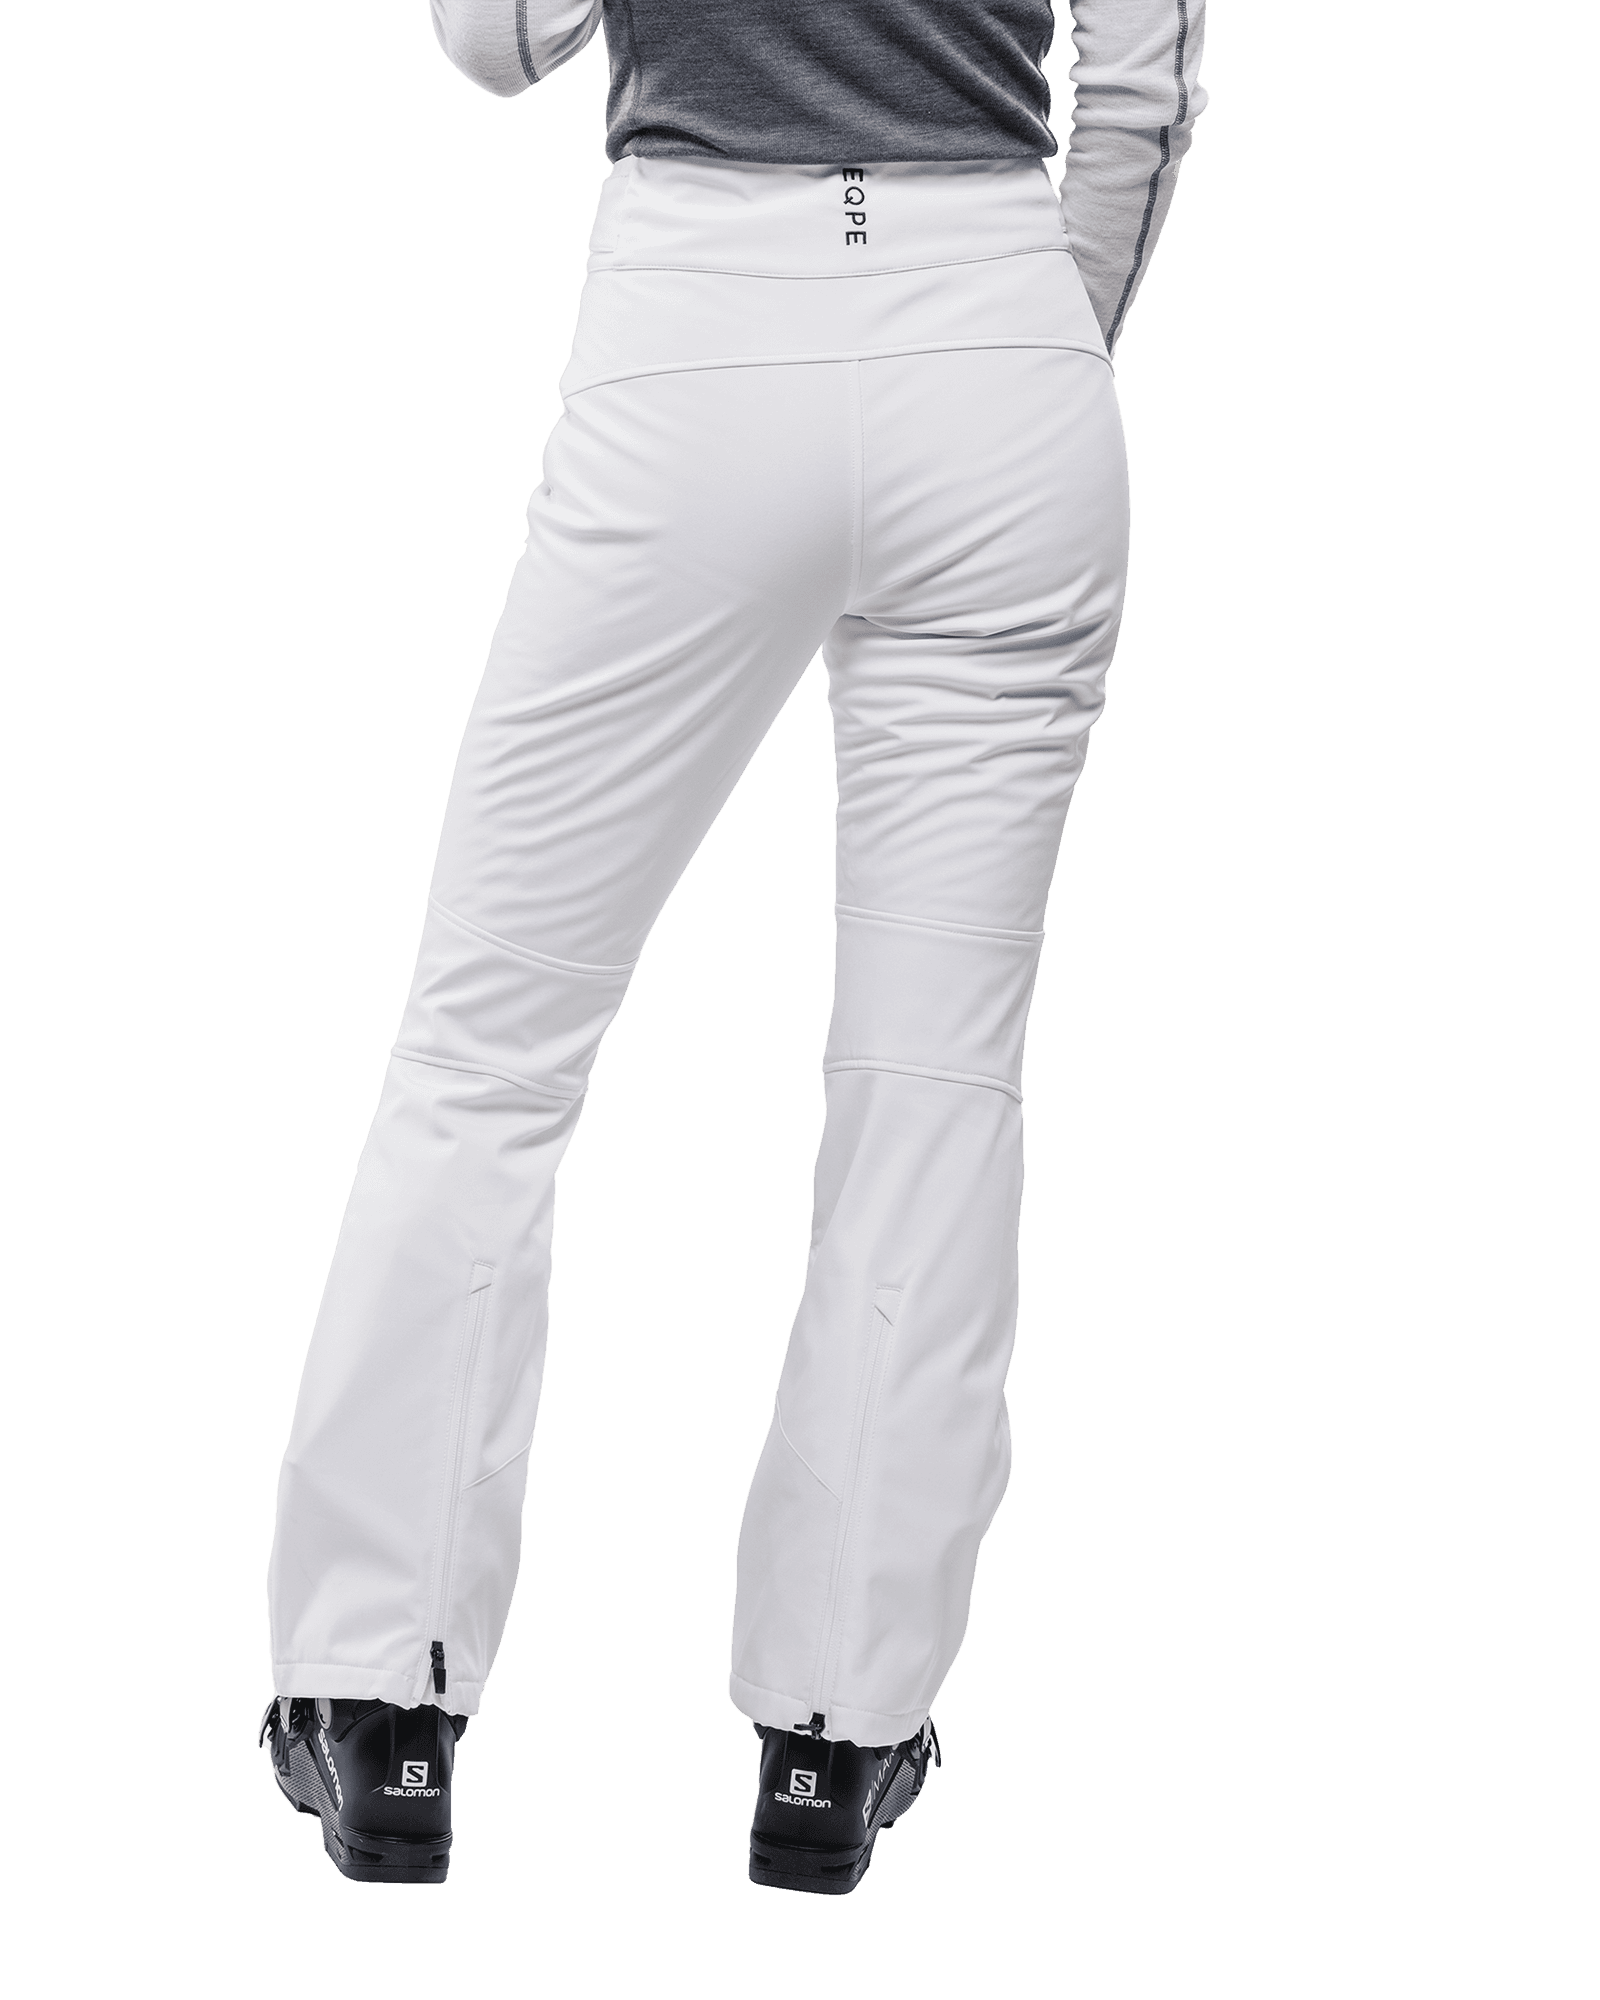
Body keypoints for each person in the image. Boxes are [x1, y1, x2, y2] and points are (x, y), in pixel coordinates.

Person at [259, 0, 1209, 1892]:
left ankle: (384, 1701)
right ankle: (836, 1735)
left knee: (487, 1053)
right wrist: (1024, 351)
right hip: (998, 342)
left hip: (700, 333)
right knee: (933, 1086)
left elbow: (493, 39)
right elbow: (1146, 78)